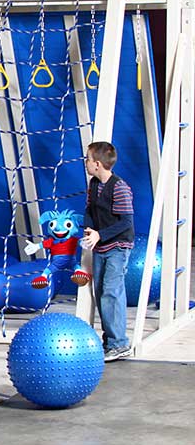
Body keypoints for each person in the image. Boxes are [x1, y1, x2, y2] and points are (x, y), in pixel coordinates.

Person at [81, 141, 134, 362]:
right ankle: (110, 341)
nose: (85, 163)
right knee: (101, 292)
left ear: (98, 164)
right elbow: (89, 210)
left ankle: (119, 343)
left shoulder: (119, 187)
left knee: (111, 292)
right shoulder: (94, 184)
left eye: (88, 159)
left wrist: (100, 235)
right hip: (100, 245)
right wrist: (88, 229)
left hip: (118, 247)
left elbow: (126, 222)